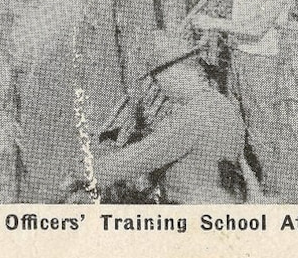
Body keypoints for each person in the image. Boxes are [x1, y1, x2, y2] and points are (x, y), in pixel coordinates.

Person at [60, 31, 249, 204]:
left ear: (173, 73)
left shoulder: (190, 118)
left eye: (158, 80)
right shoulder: (222, 104)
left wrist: (83, 173)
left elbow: (137, 159)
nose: (160, 88)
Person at [190, 0, 296, 197]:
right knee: (239, 116)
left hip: (260, 62)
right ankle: (248, 178)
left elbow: (256, 29)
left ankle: (273, 190)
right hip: (239, 58)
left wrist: (213, 23)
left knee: (261, 127)